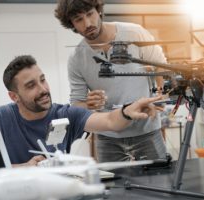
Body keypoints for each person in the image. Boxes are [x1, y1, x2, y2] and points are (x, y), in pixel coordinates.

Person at [0, 55, 162, 167]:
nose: (43, 89)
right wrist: (25, 167)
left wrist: (128, 111)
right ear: (14, 96)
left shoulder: (66, 114)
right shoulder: (0, 118)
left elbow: (110, 121)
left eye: (43, 80)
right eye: (31, 86)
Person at [55, 0, 167, 162]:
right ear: (71, 24)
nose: (87, 24)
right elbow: (76, 106)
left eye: (89, 14)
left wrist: (160, 97)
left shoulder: (135, 33)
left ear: (98, 10)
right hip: (108, 138)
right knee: (114, 187)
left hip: (146, 130)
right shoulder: (76, 59)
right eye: (79, 19)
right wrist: (88, 104)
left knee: (160, 180)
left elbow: (162, 67)